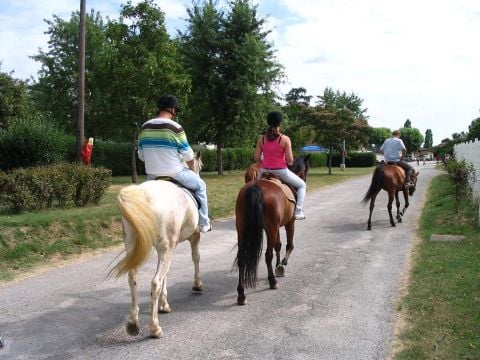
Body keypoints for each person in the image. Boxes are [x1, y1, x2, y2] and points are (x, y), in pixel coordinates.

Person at [137, 94, 211, 233]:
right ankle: (204, 222)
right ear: (172, 109)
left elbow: (141, 155)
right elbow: (188, 155)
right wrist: (192, 169)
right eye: (175, 110)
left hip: (152, 175)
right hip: (176, 173)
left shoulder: (144, 127)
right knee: (201, 186)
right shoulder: (176, 128)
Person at [254, 111, 307, 220]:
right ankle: (298, 211)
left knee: (252, 189)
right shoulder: (285, 139)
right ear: (280, 123)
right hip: (280, 172)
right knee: (302, 185)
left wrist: (265, 162)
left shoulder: (261, 139)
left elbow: (256, 158)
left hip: (264, 171)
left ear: (268, 123)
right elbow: (290, 161)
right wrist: (288, 161)